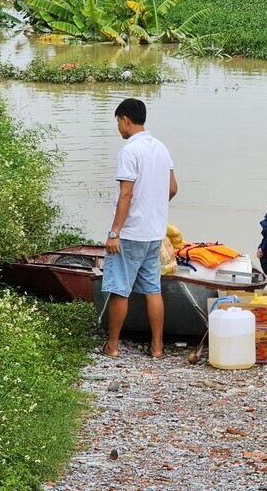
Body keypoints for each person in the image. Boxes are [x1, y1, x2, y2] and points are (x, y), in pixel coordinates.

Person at [102, 98, 178, 360]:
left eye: (118, 122)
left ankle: (112, 346)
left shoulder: (129, 150)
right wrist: (153, 208)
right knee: (152, 289)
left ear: (124, 119)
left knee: (119, 288)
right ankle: (157, 347)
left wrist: (114, 232)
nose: (118, 128)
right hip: (155, 232)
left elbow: (126, 194)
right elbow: (172, 188)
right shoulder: (161, 148)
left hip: (131, 233)